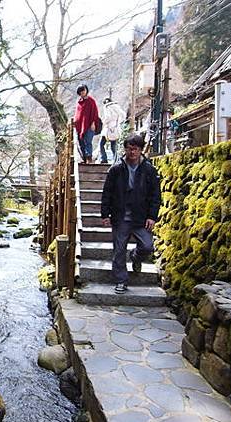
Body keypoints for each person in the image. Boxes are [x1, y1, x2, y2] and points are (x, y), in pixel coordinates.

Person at [100, 134, 161, 294]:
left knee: (147, 246)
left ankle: (135, 257)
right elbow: (107, 192)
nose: (132, 152)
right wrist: (105, 214)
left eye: (135, 149)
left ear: (141, 150)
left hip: (141, 216)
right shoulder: (116, 169)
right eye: (129, 149)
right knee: (119, 249)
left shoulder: (149, 170)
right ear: (125, 149)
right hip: (121, 216)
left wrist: (152, 216)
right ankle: (121, 280)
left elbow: (155, 195)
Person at [74, 84, 99, 164]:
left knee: (88, 142)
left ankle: (89, 158)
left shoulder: (91, 101)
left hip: (89, 125)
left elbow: (95, 113)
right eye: (81, 91)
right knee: (81, 142)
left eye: (83, 90)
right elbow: (78, 114)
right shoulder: (79, 102)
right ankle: (84, 158)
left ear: (86, 90)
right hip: (79, 126)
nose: (82, 92)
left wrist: (93, 123)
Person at [99, 98, 125, 164]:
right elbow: (123, 115)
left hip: (108, 129)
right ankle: (116, 160)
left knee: (101, 144)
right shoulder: (117, 107)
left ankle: (104, 158)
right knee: (113, 146)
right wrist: (118, 123)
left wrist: (103, 122)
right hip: (115, 128)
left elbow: (108, 117)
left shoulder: (107, 107)